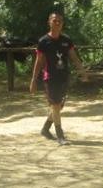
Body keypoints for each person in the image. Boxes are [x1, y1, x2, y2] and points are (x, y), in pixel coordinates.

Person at [29, 11, 88, 145]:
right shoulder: (43, 41)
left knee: (58, 106)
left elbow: (74, 57)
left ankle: (45, 129)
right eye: (54, 20)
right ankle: (60, 135)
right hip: (50, 77)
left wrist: (82, 71)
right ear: (49, 22)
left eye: (60, 21)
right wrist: (33, 80)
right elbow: (38, 62)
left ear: (62, 24)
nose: (57, 23)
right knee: (55, 105)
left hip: (64, 77)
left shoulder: (66, 40)